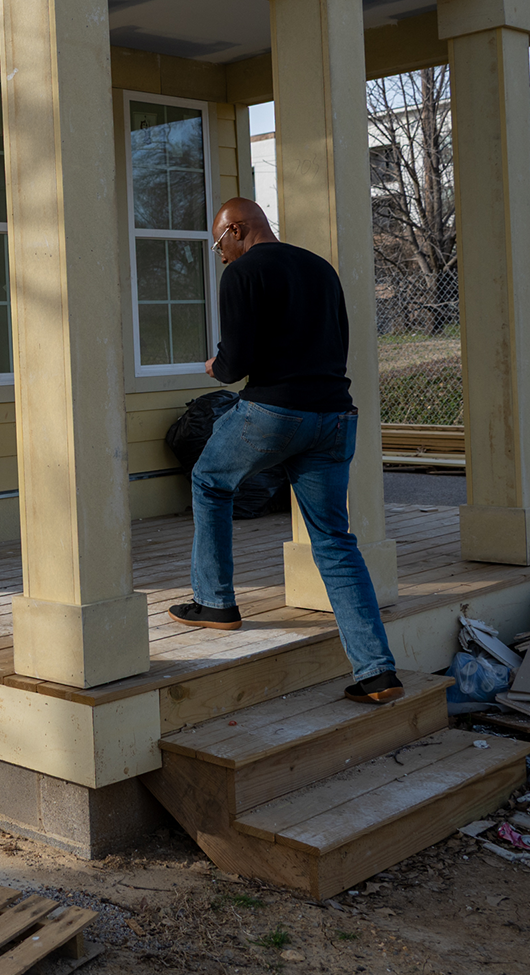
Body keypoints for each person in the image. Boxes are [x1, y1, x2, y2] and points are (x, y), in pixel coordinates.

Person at [166, 197, 404, 705]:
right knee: (335, 543)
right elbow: (337, 341)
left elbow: (236, 364)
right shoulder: (320, 268)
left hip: (274, 413)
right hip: (335, 416)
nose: (221, 255)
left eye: (218, 244)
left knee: (210, 481)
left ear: (236, 229)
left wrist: (217, 366)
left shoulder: (243, 274)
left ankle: (216, 602)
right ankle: (378, 673)